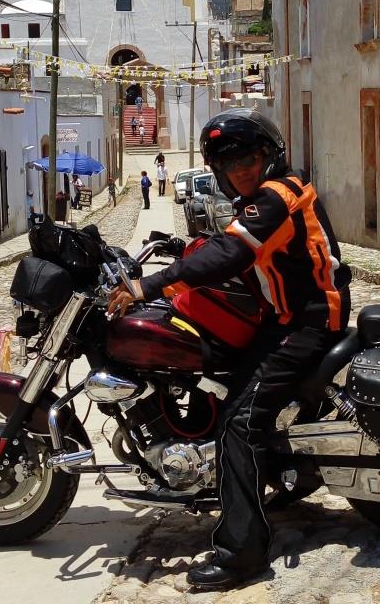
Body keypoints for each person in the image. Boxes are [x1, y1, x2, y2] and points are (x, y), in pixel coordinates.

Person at [106, 109, 351, 591]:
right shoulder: (266, 197)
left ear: (268, 156)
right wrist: (184, 251)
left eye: (249, 158)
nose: (240, 169)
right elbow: (234, 247)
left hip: (308, 322)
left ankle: (242, 553)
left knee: (240, 421)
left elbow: (233, 253)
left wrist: (149, 286)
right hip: (286, 316)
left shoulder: (278, 196)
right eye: (229, 163)